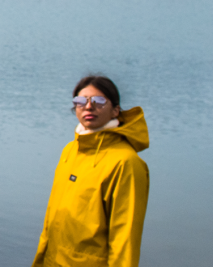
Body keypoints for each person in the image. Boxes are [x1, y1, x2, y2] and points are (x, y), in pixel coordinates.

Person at [33, 75, 149, 267]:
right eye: (80, 101)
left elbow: (125, 239)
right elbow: (52, 221)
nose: (88, 107)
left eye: (98, 101)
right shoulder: (70, 151)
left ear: (115, 111)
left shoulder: (126, 163)